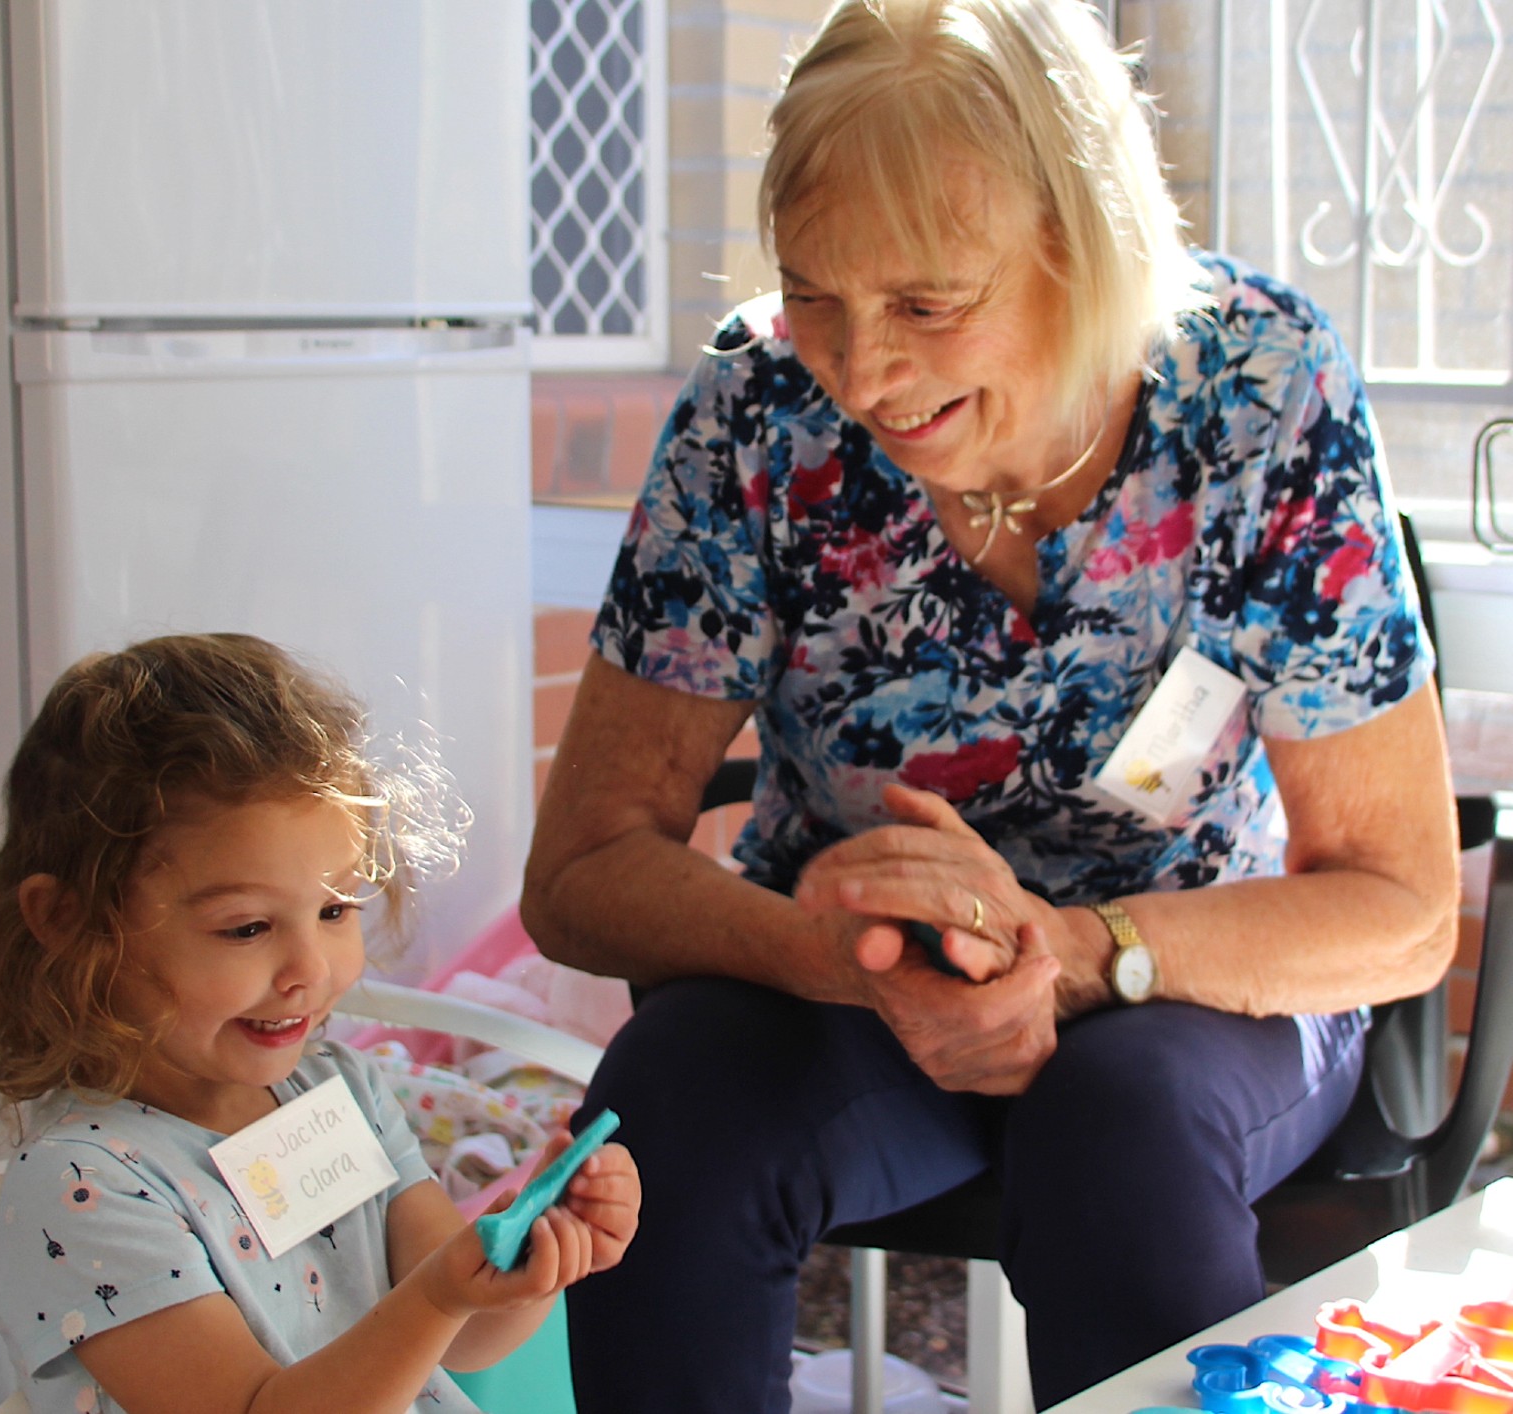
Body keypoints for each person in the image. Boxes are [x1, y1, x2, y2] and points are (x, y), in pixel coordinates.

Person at [519, 0, 1460, 1407]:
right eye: (815, 292)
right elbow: (582, 869)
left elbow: (1402, 902)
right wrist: (846, 960)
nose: (860, 368)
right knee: (668, 1109)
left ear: (1079, 244)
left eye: (924, 302)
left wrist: (1075, 950)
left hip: (1185, 963)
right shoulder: (758, 406)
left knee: (1120, 1126)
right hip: (842, 977)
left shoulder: (1261, 391)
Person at [0, 633, 641, 1414]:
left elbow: (462, 1337)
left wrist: (526, 1261)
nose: (309, 970)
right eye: (246, 928)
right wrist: (435, 1298)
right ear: (69, 921)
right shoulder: (86, 1189)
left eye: (333, 910)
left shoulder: (336, 1090)